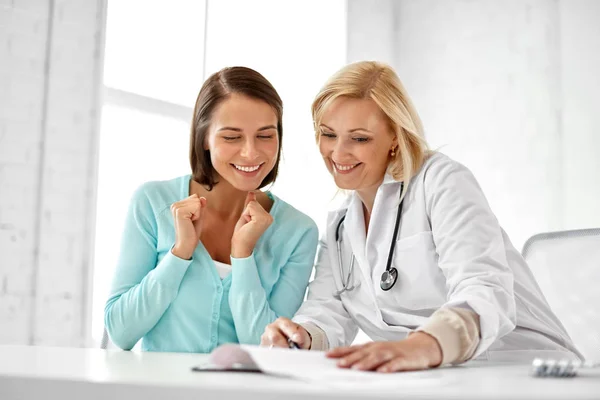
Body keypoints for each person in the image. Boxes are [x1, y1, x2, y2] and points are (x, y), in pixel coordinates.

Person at [261, 61, 581, 372]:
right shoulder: (341, 226)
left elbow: (484, 289)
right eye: (328, 134)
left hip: (521, 367)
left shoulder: (441, 182)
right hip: (434, 377)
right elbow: (326, 309)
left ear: (395, 139)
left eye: (359, 138)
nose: (338, 152)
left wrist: (421, 346)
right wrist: (301, 335)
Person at [104, 66, 318, 353]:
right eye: (232, 137)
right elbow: (121, 331)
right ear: (204, 137)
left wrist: (243, 255)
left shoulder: (298, 231)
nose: (251, 153)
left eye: (265, 136)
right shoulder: (152, 201)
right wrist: (180, 253)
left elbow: (272, 351)